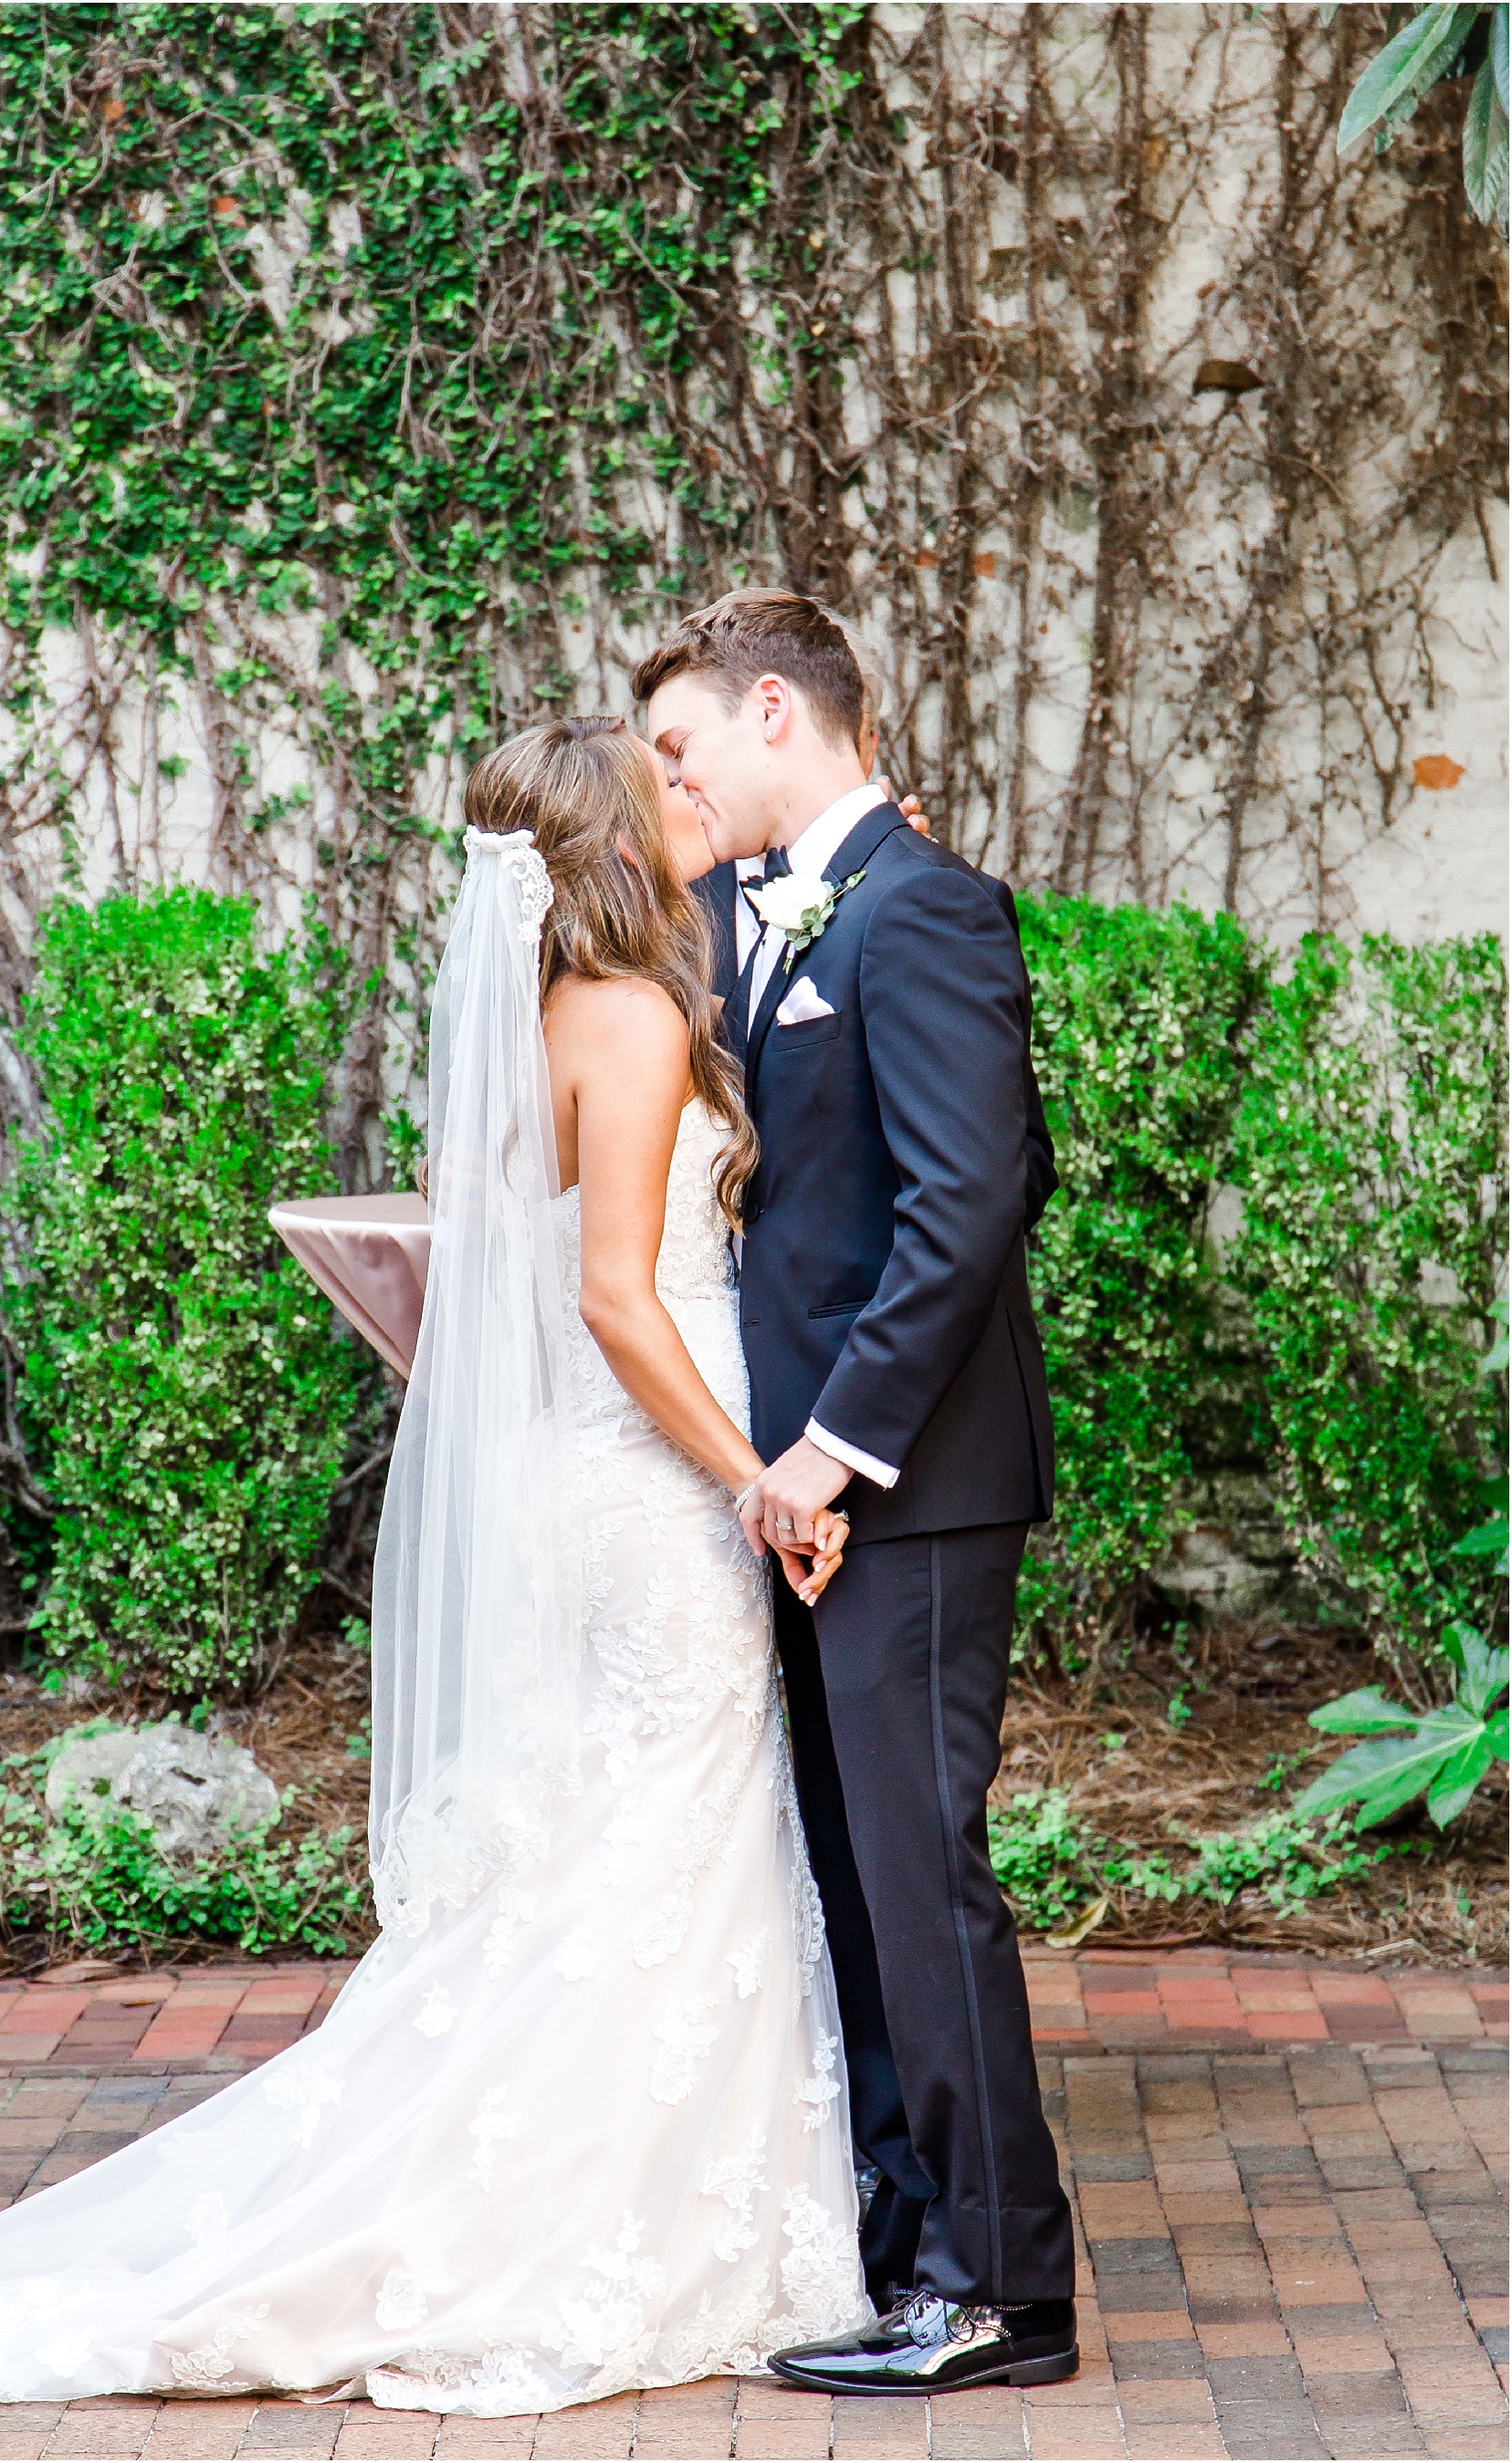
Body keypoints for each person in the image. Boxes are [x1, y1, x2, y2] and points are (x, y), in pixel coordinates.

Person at [0, 721, 872, 2417]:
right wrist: (759, 1484)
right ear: (616, 843)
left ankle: (630, 2192)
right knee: (663, 1837)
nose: (688, 797)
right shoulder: (628, 1019)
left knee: (611, 1848)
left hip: (602, 1480)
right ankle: (601, 2217)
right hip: (653, 1482)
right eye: (663, 786)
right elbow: (618, 1298)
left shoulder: (553, 1013)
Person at [637, 588, 1079, 2397]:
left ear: (772, 708)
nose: (669, 779)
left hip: (908, 1481)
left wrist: (836, 1444)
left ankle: (1005, 2287)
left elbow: (971, 1198)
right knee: (850, 1870)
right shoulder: (744, 917)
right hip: (804, 1488)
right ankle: (909, 2251)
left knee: (923, 1874)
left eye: (681, 744)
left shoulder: (925, 908)